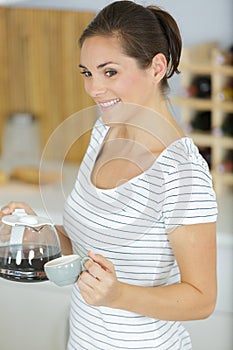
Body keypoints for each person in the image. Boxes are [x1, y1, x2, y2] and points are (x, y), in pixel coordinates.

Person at [0, 1, 218, 349]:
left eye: (110, 72)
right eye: (87, 72)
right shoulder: (105, 133)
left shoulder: (182, 172)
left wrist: (118, 295)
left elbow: (202, 298)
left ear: (157, 67)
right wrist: (33, 231)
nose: (93, 88)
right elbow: (86, 241)